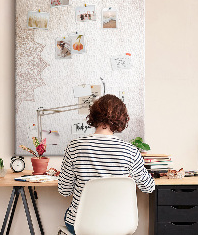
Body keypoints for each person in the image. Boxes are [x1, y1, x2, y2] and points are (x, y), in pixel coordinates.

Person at [58, 94, 155, 234]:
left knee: (73, 214)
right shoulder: (130, 151)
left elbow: (64, 190)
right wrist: (128, 179)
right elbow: (148, 187)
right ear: (121, 119)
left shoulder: (75, 147)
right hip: (119, 226)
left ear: (94, 115)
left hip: (81, 227)